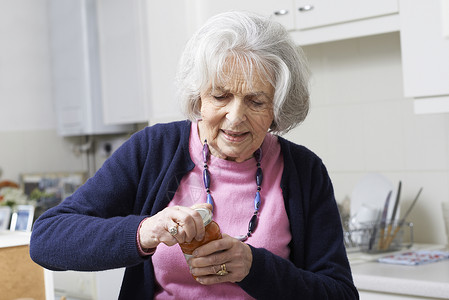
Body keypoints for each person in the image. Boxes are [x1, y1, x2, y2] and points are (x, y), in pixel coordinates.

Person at [30, 11, 359, 299]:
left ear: (277, 109)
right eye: (220, 96)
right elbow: (47, 239)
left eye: (256, 101)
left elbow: (340, 293)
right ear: (198, 97)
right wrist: (146, 231)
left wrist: (254, 267)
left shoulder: (304, 171)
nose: (234, 117)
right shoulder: (153, 149)